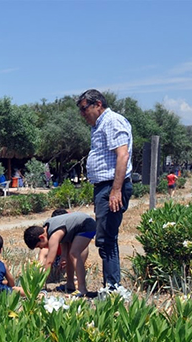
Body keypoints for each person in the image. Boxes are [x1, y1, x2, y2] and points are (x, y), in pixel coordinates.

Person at [77, 89, 133, 290]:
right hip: (104, 186)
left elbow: (123, 156)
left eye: (84, 109)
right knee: (105, 237)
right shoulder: (99, 126)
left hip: (111, 186)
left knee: (106, 238)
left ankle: (113, 287)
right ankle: (110, 285)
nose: (83, 115)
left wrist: (115, 190)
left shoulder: (112, 122)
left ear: (98, 104)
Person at [24, 212, 97, 297]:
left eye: (39, 246)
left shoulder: (53, 236)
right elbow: (64, 235)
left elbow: (49, 262)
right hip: (76, 228)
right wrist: (63, 255)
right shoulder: (47, 227)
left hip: (86, 225)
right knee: (69, 256)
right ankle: (70, 284)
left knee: (74, 253)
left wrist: (40, 282)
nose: (41, 248)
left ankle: (82, 289)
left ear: (41, 237)